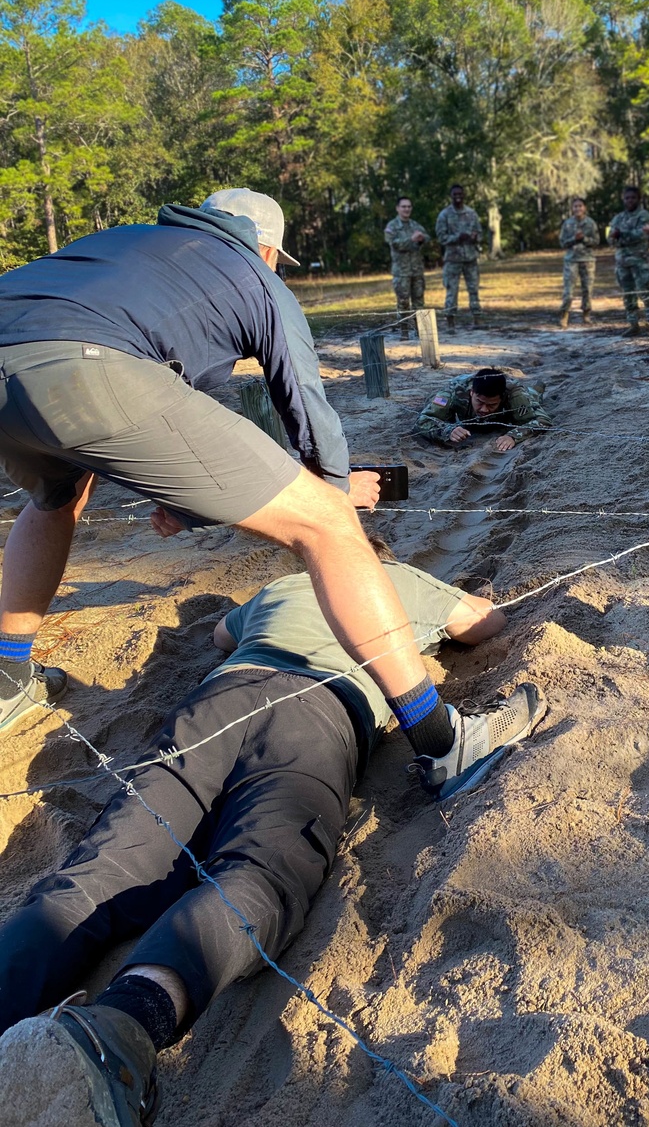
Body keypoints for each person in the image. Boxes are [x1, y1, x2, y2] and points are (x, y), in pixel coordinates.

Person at [0, 553, 545, 1127]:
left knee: (100, 873)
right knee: (260, 872)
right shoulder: (390, 579)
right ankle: (126, 1023)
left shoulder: (284, 584)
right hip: (317, 712)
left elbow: (219, 634)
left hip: (216, 703)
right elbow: (482, 621)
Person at [0, 189, 503, 789]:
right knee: (326, 523)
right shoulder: (253, 275)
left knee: (55, 497)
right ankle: (443, 744)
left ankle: (7, 680)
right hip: (85, 364)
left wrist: (185, 505)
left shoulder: (130, 244)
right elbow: (309, 412)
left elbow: (179, 428)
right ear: (266, 246)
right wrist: (336, 491)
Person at [416, 368, 551, 452]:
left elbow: (543, 421)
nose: (484, 409)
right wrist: (447, 430)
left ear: (502, 398)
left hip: (522, 395)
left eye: (492, 405)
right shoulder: (454, 390)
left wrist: (513, 436)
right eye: (479, 402)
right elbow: (423, 421)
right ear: (471, 392)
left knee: (533, 395)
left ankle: (538, 388)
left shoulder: (514, 394)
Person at [608, 185, 649, 337]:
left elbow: (643, 234)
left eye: (633, 198)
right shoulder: (618, 218)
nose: (629, 200)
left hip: (638, 261)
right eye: (627, 198)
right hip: (622, 262)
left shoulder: (645, 216)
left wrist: (621, 235)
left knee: (644, 292)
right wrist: (615, 237)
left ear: (638, 199)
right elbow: (610, 237)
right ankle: (633, 324)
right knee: (628, 294)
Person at [435, 184, 483, 333]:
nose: (458, 196)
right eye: (455, 194)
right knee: (451, 290)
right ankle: (450, 323)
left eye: (460, 194)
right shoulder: (445, 215)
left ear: (464, 195)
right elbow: (441, 237)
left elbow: (480, 233)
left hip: (470, 258)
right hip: (452, 259)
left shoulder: (471, 213)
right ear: (451, 196)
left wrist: (475, 237)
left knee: (474, 289)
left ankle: (477, 320)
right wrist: (457, 237)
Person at [383, 197, 428, 339]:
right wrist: (412, 239)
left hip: (417, 270)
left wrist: (422, 238)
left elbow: (426, 237)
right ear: (397, 208)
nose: (406, 209)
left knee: (419, 302)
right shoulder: (392, 226)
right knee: (403, 303)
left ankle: (420, 331)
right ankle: (404, 332)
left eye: (409, 206)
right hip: (401, 272)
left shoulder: (415, 225)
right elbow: (394, 244)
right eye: (403, 206)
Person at [557, 198, 601, 328]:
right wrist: (574, 239)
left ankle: (586, 314)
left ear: (585, 208)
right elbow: (562, 242)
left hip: (588, 260)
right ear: (572, 208)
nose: (578, 209)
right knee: (568, 291)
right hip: (571, 260)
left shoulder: (590, 223)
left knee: (587, 289)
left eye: (580, 206)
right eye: (575, 206)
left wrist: (584, 239)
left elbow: (596, 241)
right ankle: (564, 315)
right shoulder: (567, 223)